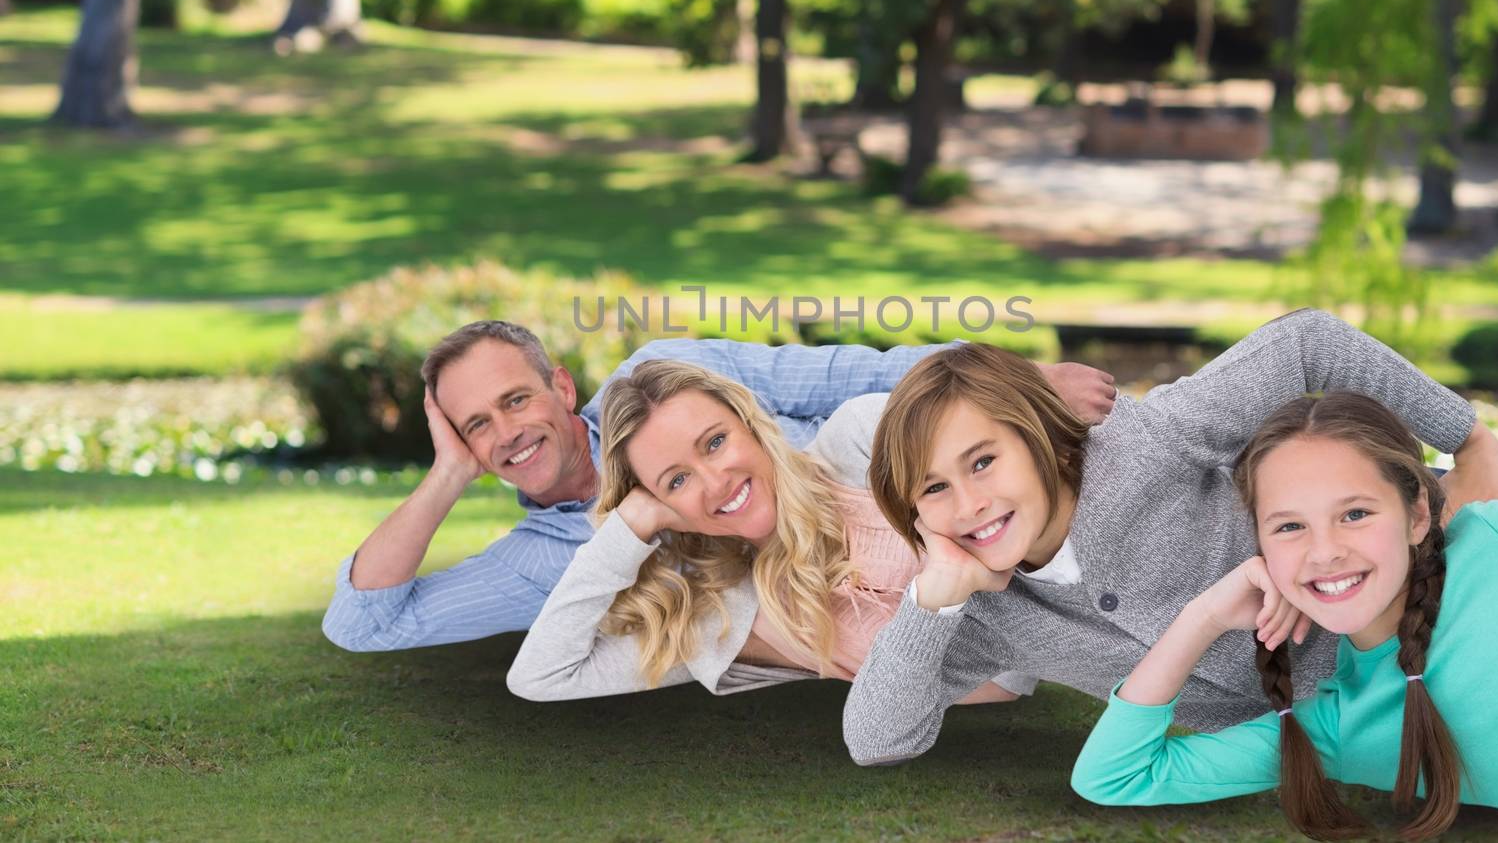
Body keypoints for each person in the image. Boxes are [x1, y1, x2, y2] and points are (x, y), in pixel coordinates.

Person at [841, 309, 1498, 766]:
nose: (971, 504)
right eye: (934, 489)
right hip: (1381, 714)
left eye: (983, 460)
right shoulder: (986, 613)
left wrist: (1467, 437)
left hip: (1450, 572)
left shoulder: (1144, 440)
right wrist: (931, 600)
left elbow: (1308, 342)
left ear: (1036, 433)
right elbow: (876, 740)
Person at [321, 320, 1116, 651]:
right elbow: (363, 622)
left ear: (560, 387)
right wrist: (445, 475)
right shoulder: (541, 560)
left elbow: (851, 373)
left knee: (1138, 466)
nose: (506, 433)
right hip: (887, 601)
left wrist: (1019, 380)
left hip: (925, 486)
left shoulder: (660, 373)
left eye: (515, 400)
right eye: (476, 426)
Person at [1071, 391, 1498, 833]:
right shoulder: (1335, 728)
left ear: (1417, 513)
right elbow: (1115, 776)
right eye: (1289, 527)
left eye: (1355, 513)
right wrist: (1201, 617)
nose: (1324, 551)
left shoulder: (1495, 537)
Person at [505, 361, 1031, 701]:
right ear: (661, 505)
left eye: (714, 442)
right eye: (678, 479)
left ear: (751, 424)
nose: (716, 483)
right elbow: (539, 676)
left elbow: (1010, 464)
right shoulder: (719, 621)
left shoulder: (857, 442)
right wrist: (629, 527)